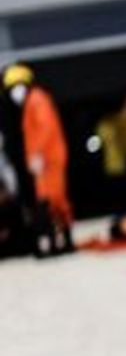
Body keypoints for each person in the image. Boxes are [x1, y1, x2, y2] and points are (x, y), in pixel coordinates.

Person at [3, 64, 73, 257]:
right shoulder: (32, 102)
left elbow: (45, 128)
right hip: (45, 160)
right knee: (50, 201)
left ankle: (61, 242)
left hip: (48, 159)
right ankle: (59, 241)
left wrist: (37, 155)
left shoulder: (37, 99)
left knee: (52, 201)